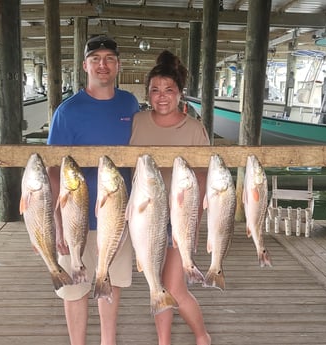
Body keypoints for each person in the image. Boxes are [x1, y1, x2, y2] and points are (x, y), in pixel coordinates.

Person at [46, 35, 140, 345]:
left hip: (117, 214)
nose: (103, 64)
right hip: (76, 216)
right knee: (74, 288)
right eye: (96, 58)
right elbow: (52, 169)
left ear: (118, 65)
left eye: (109, 58)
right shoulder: (67, 111)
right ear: (85, 65)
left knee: (110, 284)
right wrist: (57, 225)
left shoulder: (129, 103)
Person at [129, 50, 211, 345]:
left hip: (179, 219)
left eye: (169, 90)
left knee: (175, 287)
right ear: (147, 93)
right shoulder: (137, 121)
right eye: (155, 90)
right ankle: (164, 342)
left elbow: (202, 178)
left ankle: (202, 337)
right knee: (158, 285)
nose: (161, 97)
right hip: (147, 216)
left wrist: (193, 225)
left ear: (179, 94)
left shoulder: (193, 128)